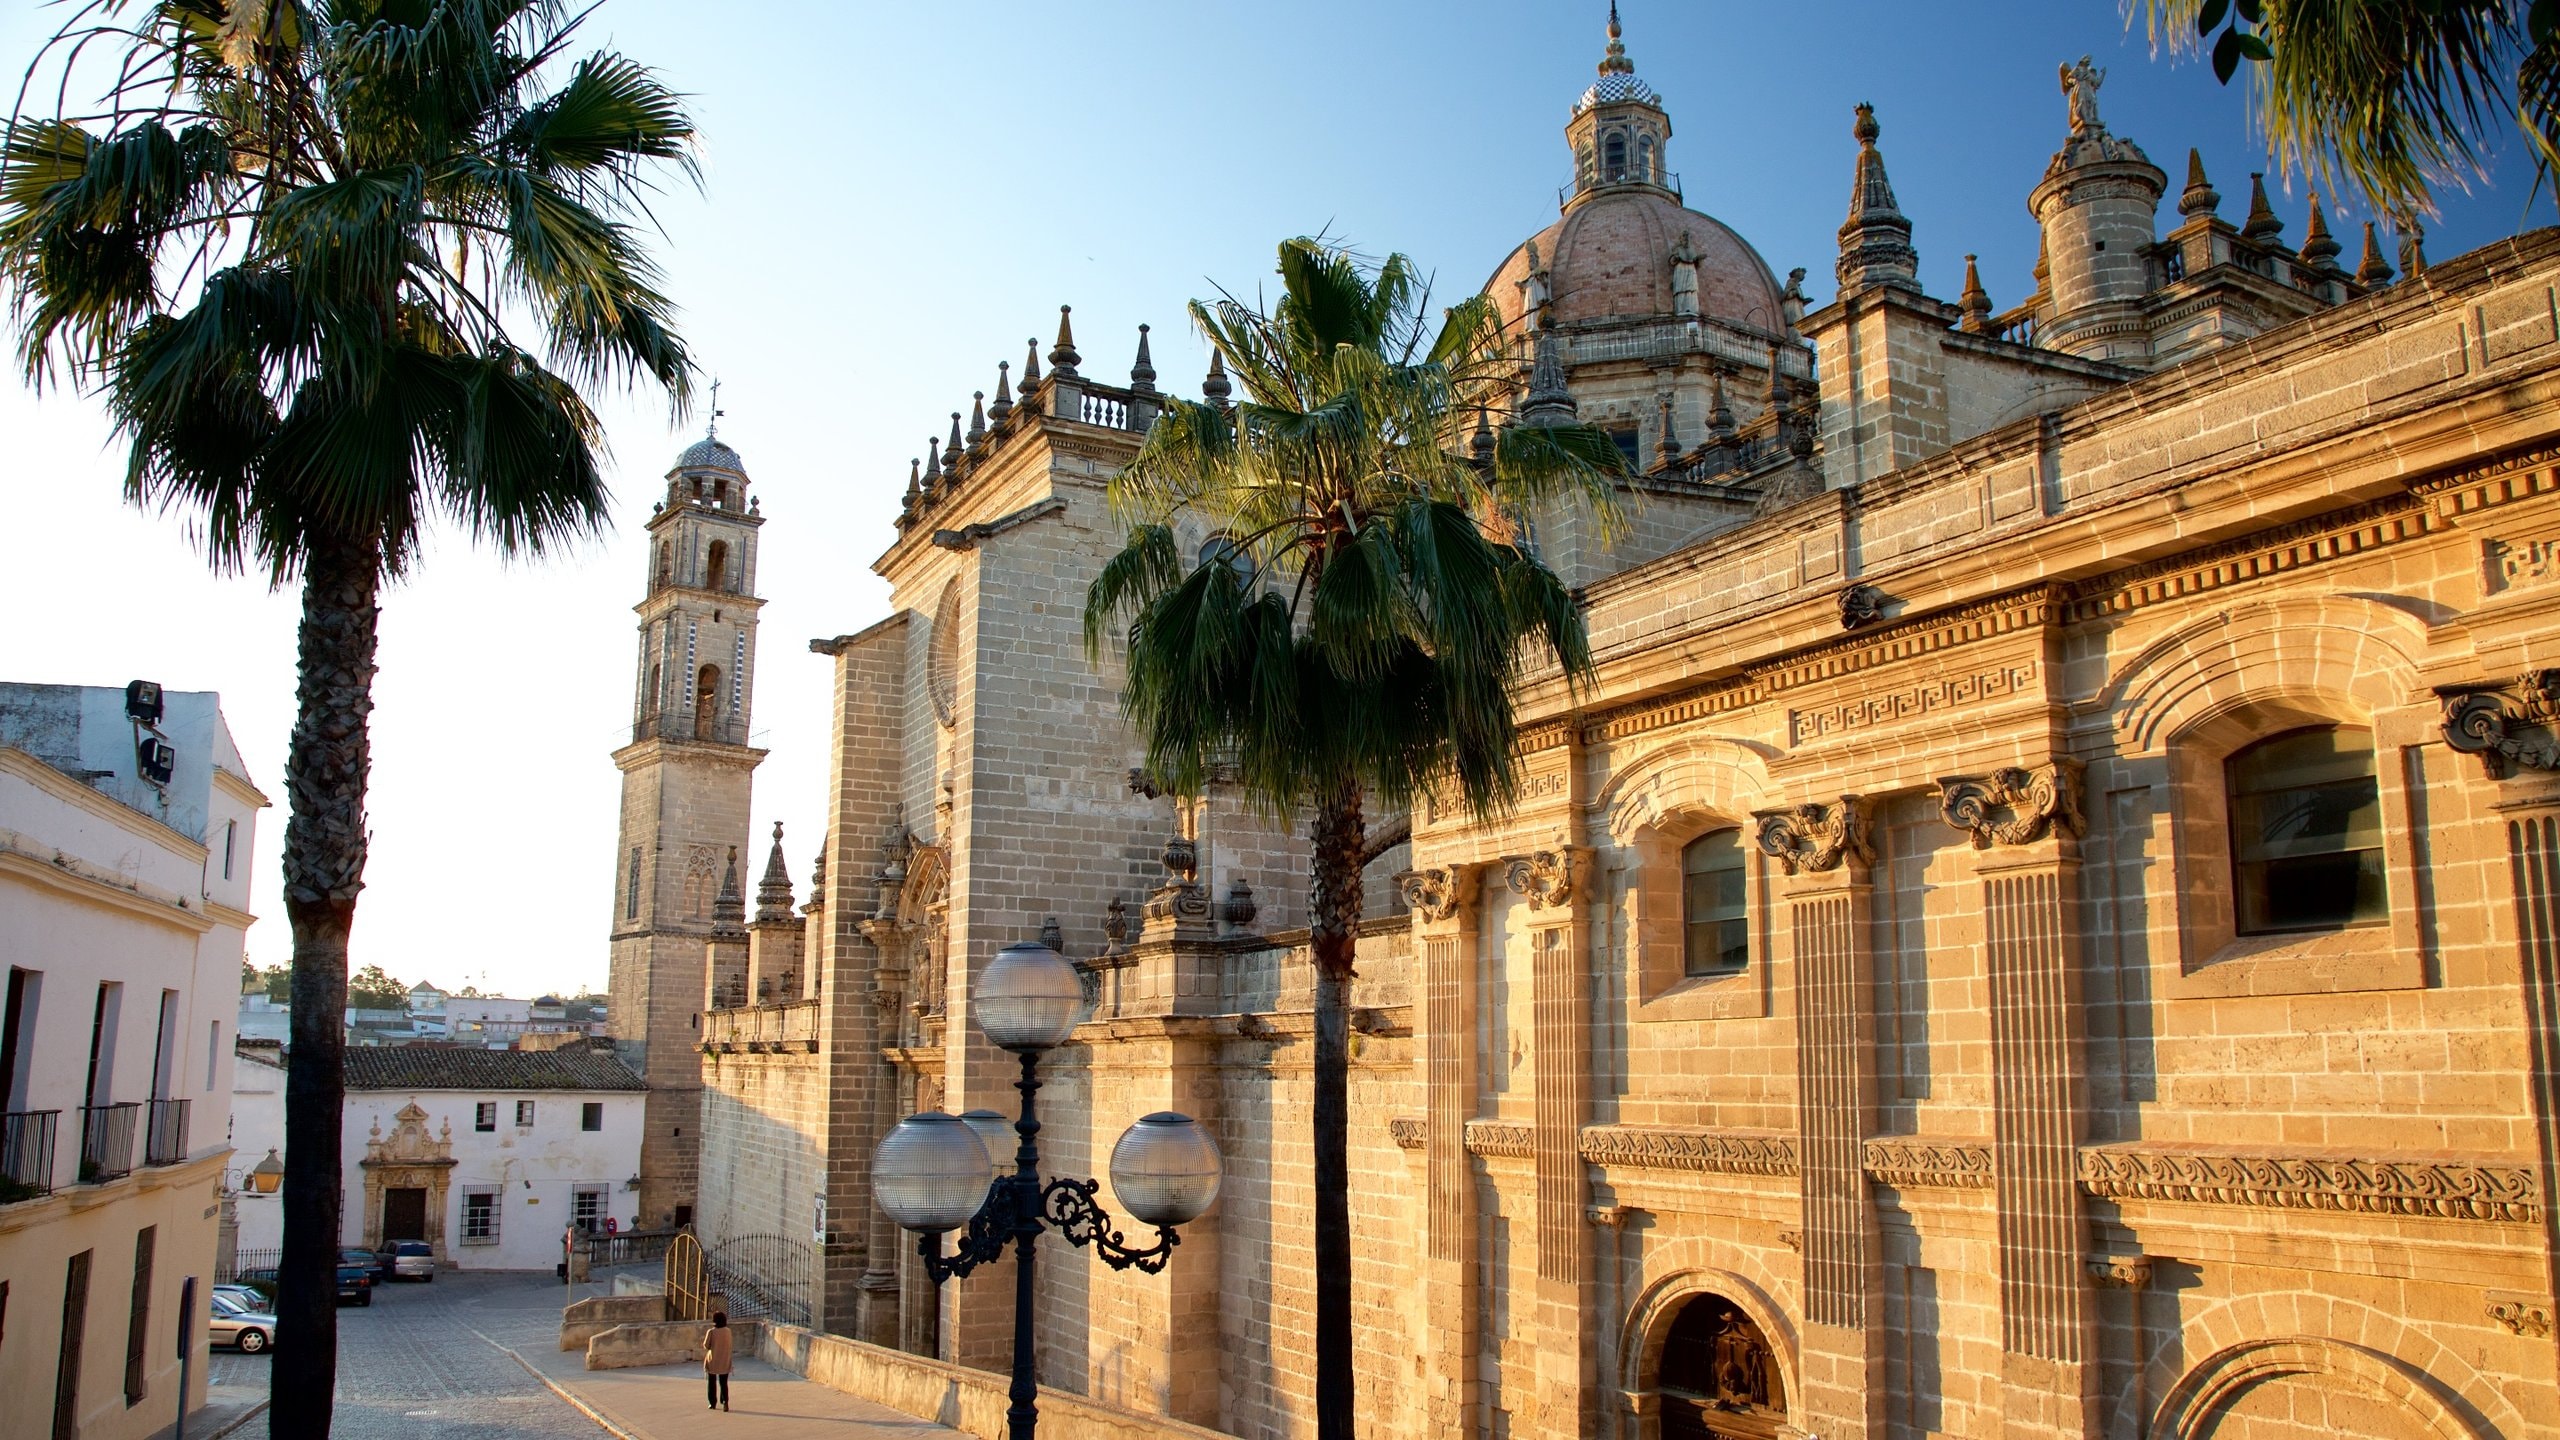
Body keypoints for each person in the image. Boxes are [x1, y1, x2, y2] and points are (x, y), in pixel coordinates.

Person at [704, 1311, 733, 1411]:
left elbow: (706, 1345)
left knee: (712, 1383)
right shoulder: (728, 1331)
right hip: (725, 1359)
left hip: (713, 1360)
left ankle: (712, 1403)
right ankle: (725, 1402)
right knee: (723, 1383)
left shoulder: (711, 1332)